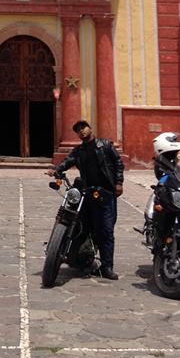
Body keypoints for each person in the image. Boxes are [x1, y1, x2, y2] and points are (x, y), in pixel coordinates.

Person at [50, 120, 124, 280]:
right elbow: (68, 161)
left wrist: (119, 183)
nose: (81, 131)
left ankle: (107, 267)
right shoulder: (79, 151)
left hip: (106, 193)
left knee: (106, 231)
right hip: (87, 193)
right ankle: (77, 258)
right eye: (78, 130)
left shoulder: (105, 145)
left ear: (90, 128)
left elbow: (118, 163)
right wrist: (57, 170)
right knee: (82, 226)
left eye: (83, 127)